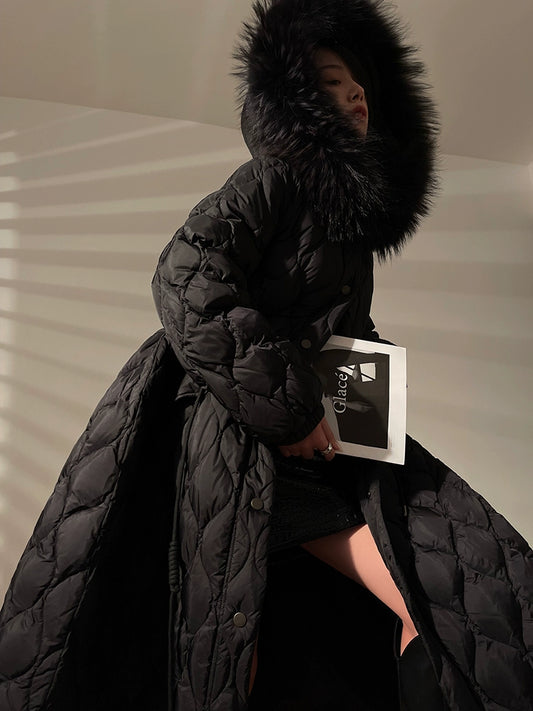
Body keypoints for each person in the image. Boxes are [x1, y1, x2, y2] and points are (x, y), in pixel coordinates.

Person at [0, 1, 531, 710]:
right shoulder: (271, 179)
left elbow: (346, 336)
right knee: (250, 631)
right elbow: (186, 275)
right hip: (238, 442)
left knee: (400, 606)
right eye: (332, 83)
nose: (355, 94)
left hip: (313, 454)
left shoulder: (347, 234)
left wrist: (367, 415)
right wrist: (290, 410)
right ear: (293, 104)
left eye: (359, 85)